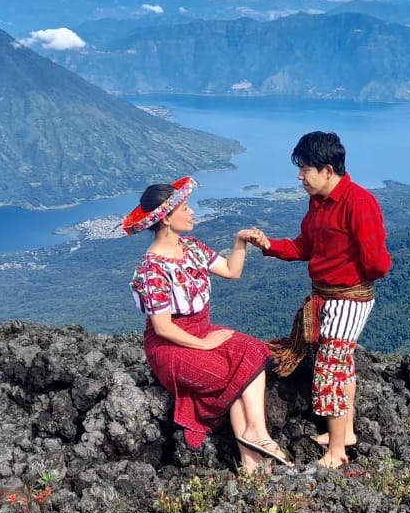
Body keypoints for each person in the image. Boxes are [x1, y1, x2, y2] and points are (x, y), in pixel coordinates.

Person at [124, 176, 292, 473]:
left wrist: (240, 242)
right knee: (229, 373)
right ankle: (254, 450)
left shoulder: (192, 248)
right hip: (171, 347)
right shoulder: (151, 269)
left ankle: (255, 446)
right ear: (165, 219)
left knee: (252, 349)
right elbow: (163, 328)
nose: (191, 212)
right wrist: (204, 343)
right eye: (185, 208)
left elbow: (231, 271)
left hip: (201, 331)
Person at [246, 131, 392, 469]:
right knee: (341, 365)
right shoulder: (319, 203)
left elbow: (379, 263)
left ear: (328, 169)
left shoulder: (359, 202)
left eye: (306, 169)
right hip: (328, 297)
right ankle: (346, 433)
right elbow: (304, 247)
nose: (300, 177)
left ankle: (337, 451)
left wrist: (348, 276)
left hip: (348, 299)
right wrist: (269, 246)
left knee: (330, 370)